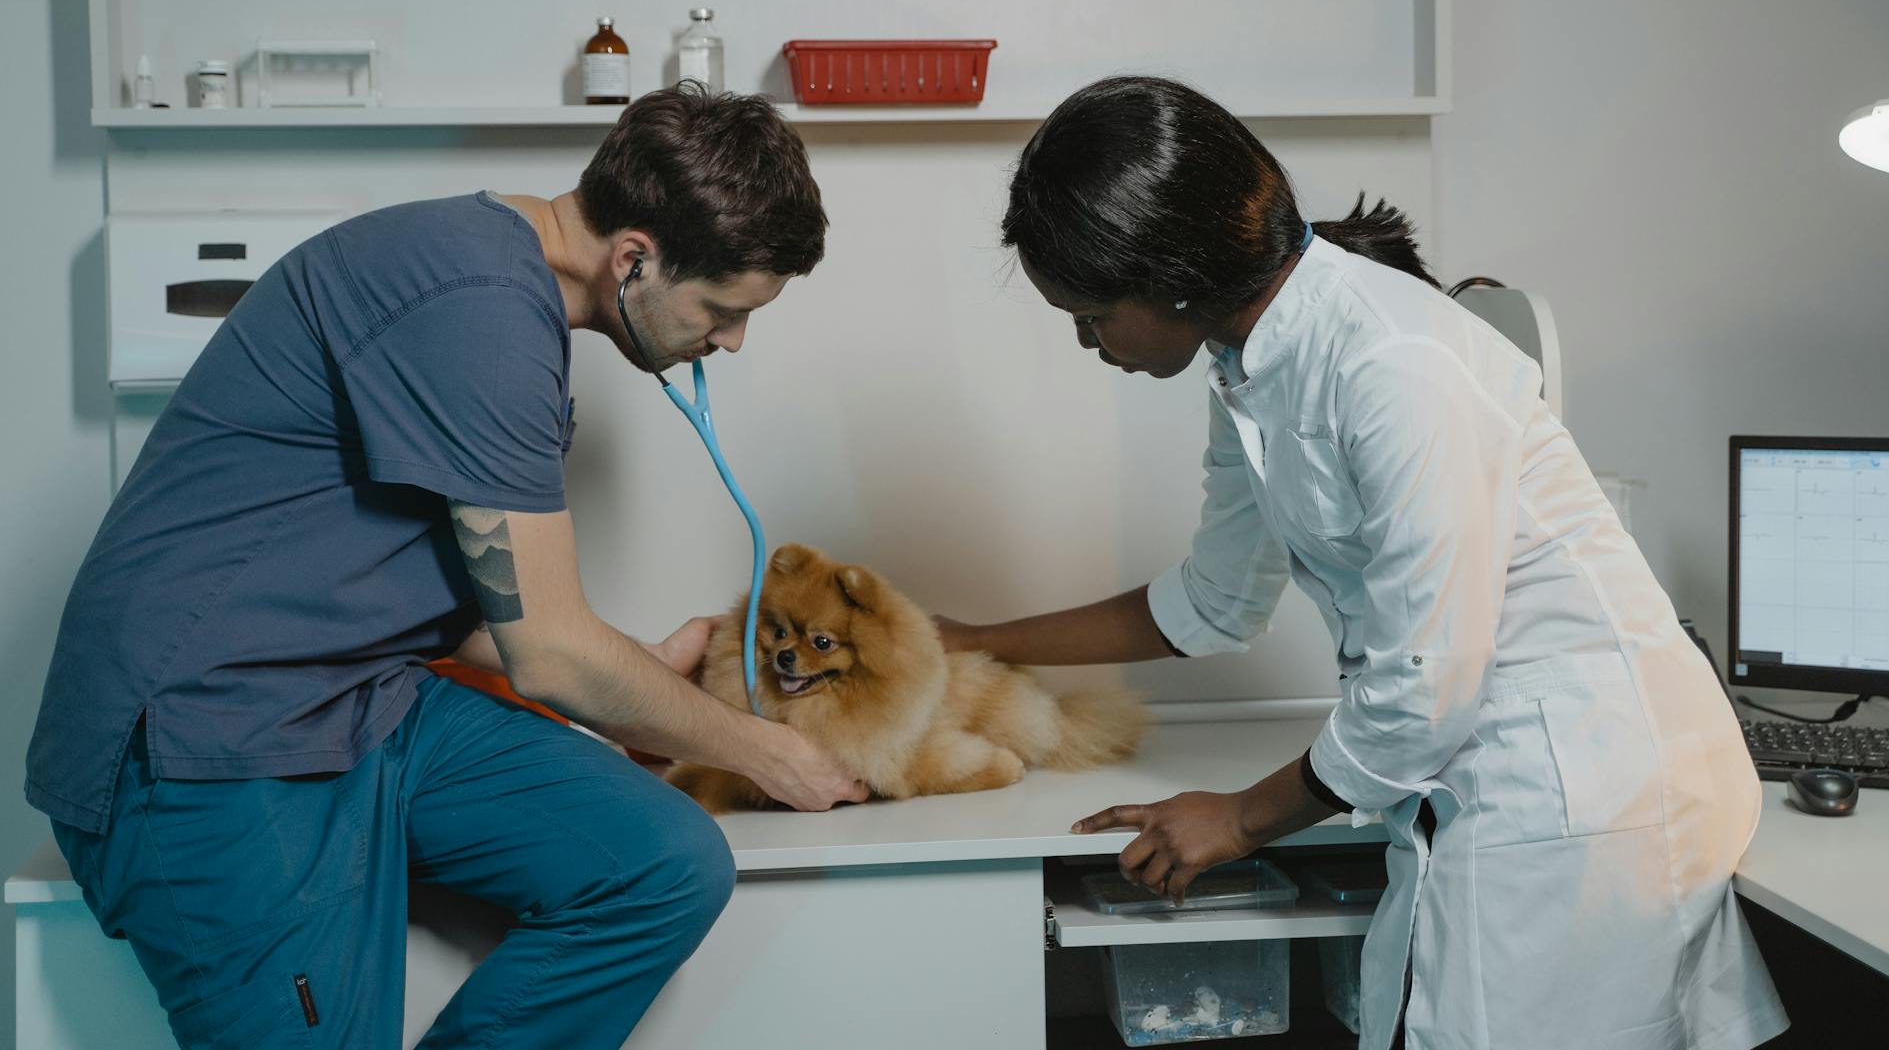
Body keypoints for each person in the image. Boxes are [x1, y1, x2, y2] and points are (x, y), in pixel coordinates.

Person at [940, 76, 1789, 1050]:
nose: (1089, 341)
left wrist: (1244, 818)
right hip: (1480, 779)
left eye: (1091, 313)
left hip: (1583, 789)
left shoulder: (1396, 362)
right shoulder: (1248, 364)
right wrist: (967, 640)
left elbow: (1425, 688)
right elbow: (1211, 603)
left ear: (1172, 276)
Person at [25, 85, 866, 1049]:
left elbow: (474, 597)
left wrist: (632, 676)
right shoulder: (481, 310)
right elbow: (551, 654)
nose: (730, 341)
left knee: (663, 863)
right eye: (722, 308)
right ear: (634, 257)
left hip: (360, 700)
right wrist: (771, 753)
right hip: (206, 738)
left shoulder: (498, 289)